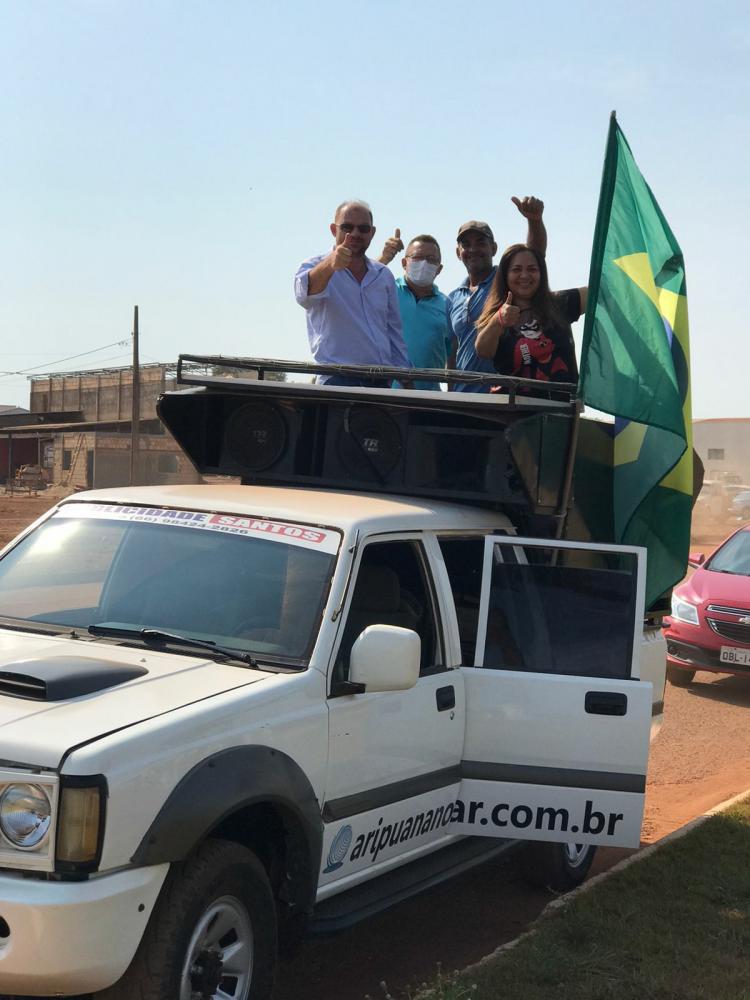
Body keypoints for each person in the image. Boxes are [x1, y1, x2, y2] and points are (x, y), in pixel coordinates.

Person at [294, 200, 411, 387]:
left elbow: (393, 332)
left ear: (372, 233)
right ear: (334, 230)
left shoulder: (383, 275)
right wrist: (331, 264)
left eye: (363, 228)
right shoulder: (314, 265)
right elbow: (304, 296)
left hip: (381, 383)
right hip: (337, 381)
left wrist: (407, 382)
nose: (355, 234)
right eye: (347, 227)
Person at [447, 197, 547, 392]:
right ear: (458, 253)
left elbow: (535, 255)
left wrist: (534, 221)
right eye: (466, 244)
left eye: (481, 243)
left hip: (501, 396)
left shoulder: (506, 280)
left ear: (493, 248)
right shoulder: (452, 298)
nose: (473, 249)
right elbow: (452, 352)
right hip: (462, 398)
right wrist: (450, 396)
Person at [474, 243, 588, 388]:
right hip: (514, 402)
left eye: (532, 269)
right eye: (516, 269)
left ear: (541, 274)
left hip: (563, 401)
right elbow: (482, 351)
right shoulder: (494, 314)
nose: (524, 275)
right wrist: (498, 320)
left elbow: (601, 292)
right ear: (505, 275)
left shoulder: (559, 303)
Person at [390, 235, 453, 391]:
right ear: (404, 263)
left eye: (431, 259)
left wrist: (452, 396)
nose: (424, 264)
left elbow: (453, 359)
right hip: (384, 395)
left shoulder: (448, 306)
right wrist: (384, 257)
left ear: (439, 269)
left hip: (429, 398)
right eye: (417, 257)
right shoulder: (387, 291)